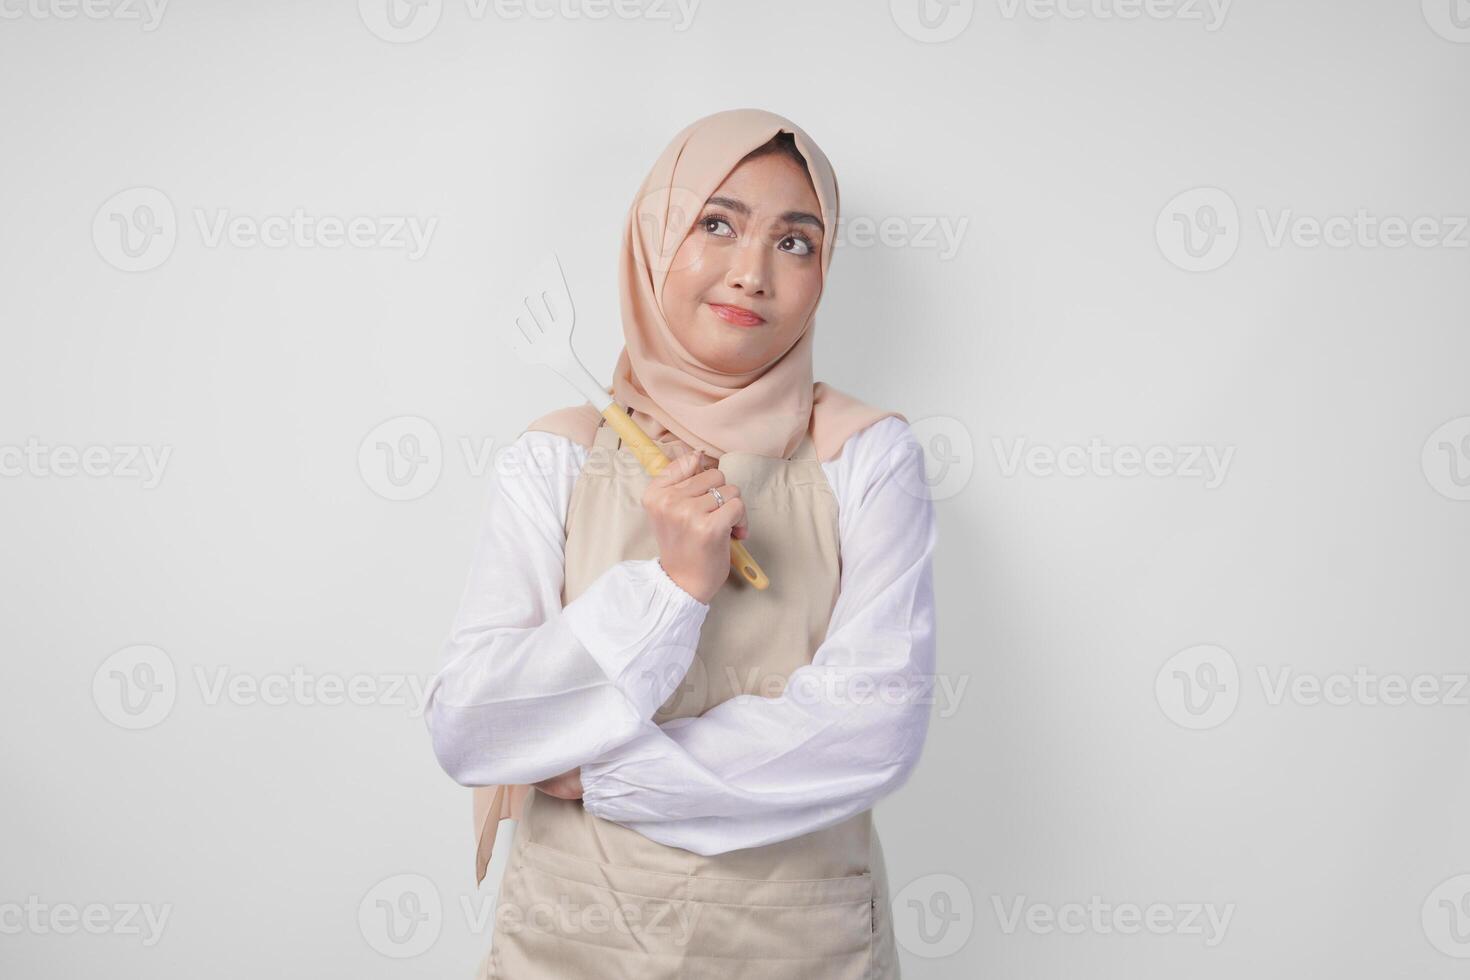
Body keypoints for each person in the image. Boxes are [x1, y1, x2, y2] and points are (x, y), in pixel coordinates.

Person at [423, 107, 937, 980]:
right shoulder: (557, 454)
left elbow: (874, 724)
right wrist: (672, 589)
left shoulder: (868, 456)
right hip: (569, 940)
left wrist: (608, 778)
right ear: (654, 240)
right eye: (716, 224)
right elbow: (471, 725)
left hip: (798, 943)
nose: (752, 275)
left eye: (796, 243)